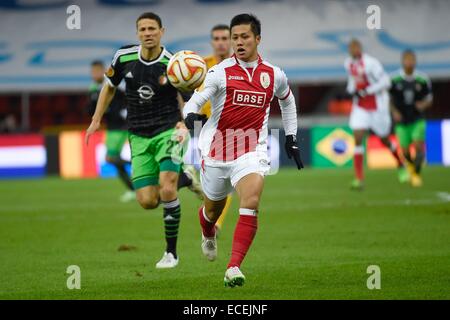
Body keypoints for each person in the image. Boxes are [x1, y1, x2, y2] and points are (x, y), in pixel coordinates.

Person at [183, 14, 303, 287]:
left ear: (257, 39)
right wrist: (190, 115)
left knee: (250, 201)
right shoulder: (219, 72)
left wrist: (291, 136)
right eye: (234, 37)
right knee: (212, 210)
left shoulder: (273, 74)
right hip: (215, 152)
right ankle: (207, 231)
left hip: (251, 151)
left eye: (244, 37)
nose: (238, 42)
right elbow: (194, 101)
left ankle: (233, 267)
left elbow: (287, 101)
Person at [86, 12, 199, 269]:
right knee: (148, 201)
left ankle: (171, 253)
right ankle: (187, 178)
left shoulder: (173, 63)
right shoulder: (123, 57)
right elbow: (109, 87)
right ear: (137, 33)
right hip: (137, 135)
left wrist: (185, 122)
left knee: (167, 188)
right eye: (143, 29)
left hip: (168, 130)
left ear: (162, 31)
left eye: (152, 29)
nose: (147, 33)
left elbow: (189, 97)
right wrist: (95, 120)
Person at [344, 39, 405, 190]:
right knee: (357, 137)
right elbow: (352, 81)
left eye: (355, 47)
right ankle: (359, 179)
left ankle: (400, 163)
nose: (353, 50)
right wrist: (351, 90)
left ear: (360, 48)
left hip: (378, 107)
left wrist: (367, 91)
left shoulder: (372, 63)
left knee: (384, 139)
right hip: (361, 107)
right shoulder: (348, 64)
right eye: (351, 48)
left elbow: (386, 82)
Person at [199, 24, 233, 234]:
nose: (221, 42)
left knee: (226, 178)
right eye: (217, 38)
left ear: (230, 41)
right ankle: (211, 215)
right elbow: (184, 90)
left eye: (224, 38)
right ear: (212, 42)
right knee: (210, 181)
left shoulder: (239, 66)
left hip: (230, 131)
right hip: (201, 128)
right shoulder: (199, 66)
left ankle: (216, 222)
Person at [87, 60, 135, 202]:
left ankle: (138, 173)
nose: (95, 74)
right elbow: (90, 109)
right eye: (93, 71)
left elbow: (129, 98)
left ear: (103, 70)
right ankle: (132, 187)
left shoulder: (114, 85)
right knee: (111, 159)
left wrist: (124, 111)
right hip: (111, 127)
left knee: (110, 158)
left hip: (120, 126)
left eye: (97, 70)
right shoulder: (93, 88)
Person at [390, 50, 432, 187]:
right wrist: (394, 111)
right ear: (402, 61)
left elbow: (429, 98)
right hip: (401, 121)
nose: (409, 62)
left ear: (415, 61)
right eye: (407, 60)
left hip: (417, 119)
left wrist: (423, 104)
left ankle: (416, 174)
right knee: (405, 150)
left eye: (412, 60)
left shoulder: (422, 79)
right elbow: (387, 99)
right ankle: (411, 168)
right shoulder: (394, 79)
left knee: (419, 145)